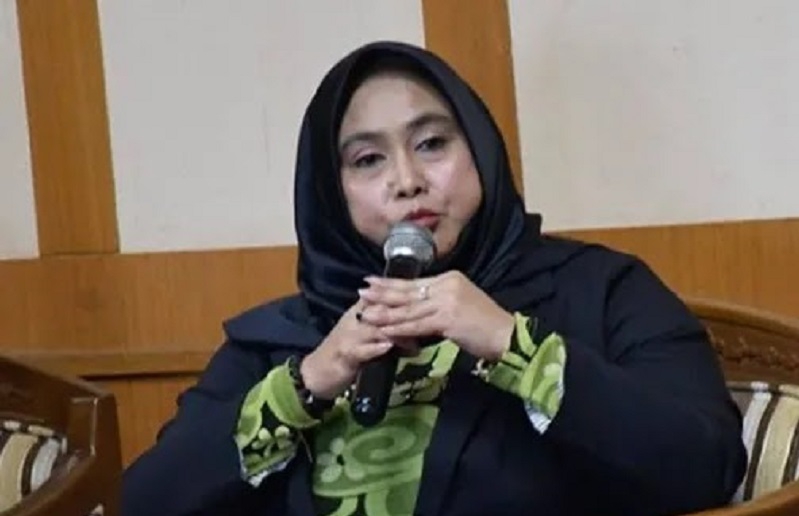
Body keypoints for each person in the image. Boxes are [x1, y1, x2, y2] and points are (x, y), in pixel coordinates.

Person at [121, 41, 747, 516]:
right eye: (369, 159)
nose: (406, 181)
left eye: (431, 144)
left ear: (480, 151)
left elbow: (706, 465)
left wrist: (513, 347)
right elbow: (145, 501)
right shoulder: (285, 339)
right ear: (331, 192)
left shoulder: (600, 292)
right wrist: (306, 386)